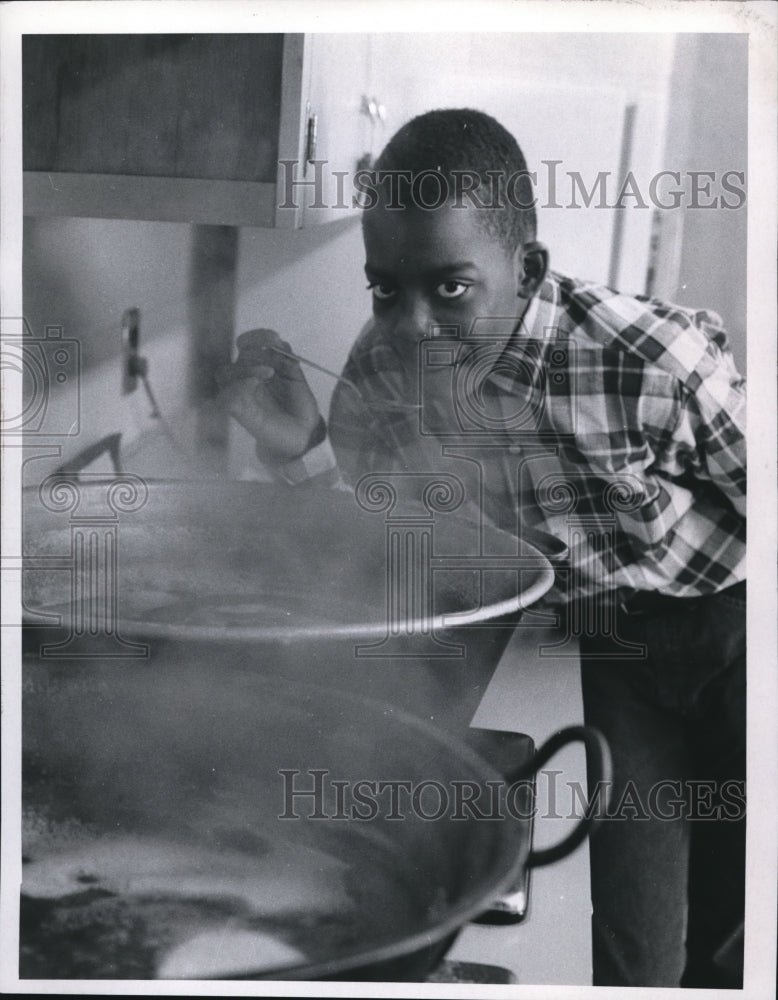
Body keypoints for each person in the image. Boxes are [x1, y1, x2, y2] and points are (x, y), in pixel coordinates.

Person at [216, 109, 746, 988]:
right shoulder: (382, 371)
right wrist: (293, 451)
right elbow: (379, 545)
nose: (413, 325)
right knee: (633, 960)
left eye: (450, 288)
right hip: (597, 652)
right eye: (387, 289)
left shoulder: (653, 359)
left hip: (729, 632)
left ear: (528, 269)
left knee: (746, 916)